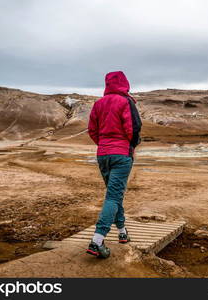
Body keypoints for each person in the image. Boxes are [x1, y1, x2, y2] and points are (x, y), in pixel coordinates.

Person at [86, 71, 142, 258]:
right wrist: (130, 145)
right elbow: (133, 128)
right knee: (113, 196)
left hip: (103, 154)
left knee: (114, 194)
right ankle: (97, 240)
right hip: (121, 154)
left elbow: (92, 130)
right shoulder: (126, 101)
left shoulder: (98, 104)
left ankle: (122, 231)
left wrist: (103, 145)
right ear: (125, 84)